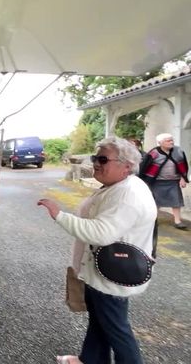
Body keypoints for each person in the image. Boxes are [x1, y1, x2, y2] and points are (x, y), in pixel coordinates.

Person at [37, 136, 157, 364]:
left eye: (103, 159)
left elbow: (101, 232)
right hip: (104, 273)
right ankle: (89, 360)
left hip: (111, 277)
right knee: (100, 323)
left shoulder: (127, 194)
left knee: (117, 333)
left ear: (126, 166)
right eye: (95, 158)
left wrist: (59, 215)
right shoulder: (119, 186)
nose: (96, 163)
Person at [139, 133, 189, 229]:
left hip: (173, 181)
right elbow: (144, 166)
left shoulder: (178, 151)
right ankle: (153, 220)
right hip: (157, 182)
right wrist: (143, 181)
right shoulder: (153, 153)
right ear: (160, 143)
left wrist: (183, 178)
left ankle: (178, 221)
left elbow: (184, 165)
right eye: (168, 140)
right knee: (155, 202)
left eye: (172, 140)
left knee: (176, 201)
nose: (171, 142)